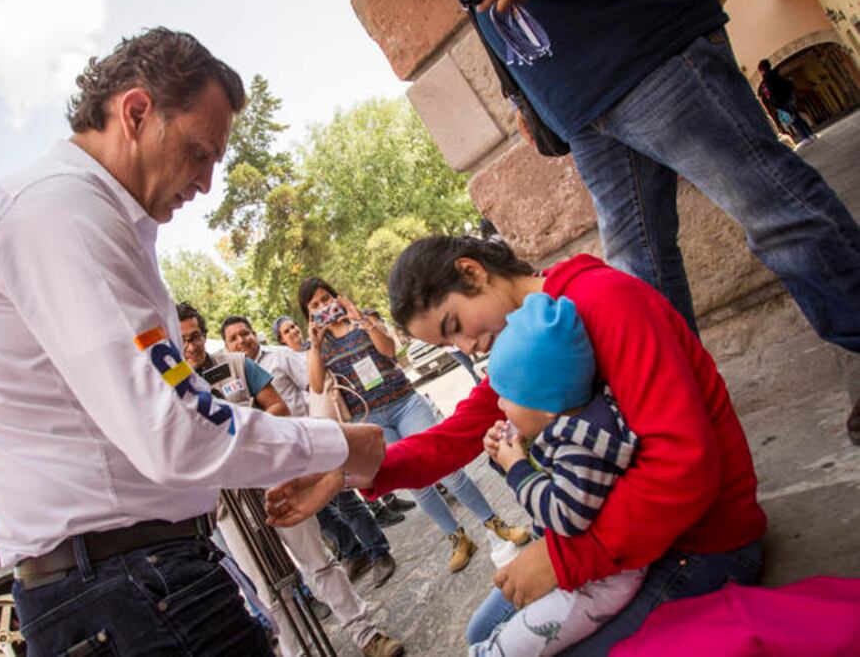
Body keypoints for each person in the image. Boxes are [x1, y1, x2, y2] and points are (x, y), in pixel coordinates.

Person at [0, 27, 386, 657]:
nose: (204, 183)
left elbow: (172, 406)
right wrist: (338, 444)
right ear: (137, 111)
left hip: (133, 578)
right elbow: (176, 430)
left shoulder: (77, 215)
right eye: (199, 153)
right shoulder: (61, 214)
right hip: (127, 585)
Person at [267, 236, 766, 653]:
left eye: (455, 327)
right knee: (481, 633)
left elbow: (684, 466)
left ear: (473, 272)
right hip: (628, 549)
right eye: (449, 347)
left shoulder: (606, 300)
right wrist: (346, 473)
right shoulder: (525, 340)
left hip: (702, 545)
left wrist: (563, 559)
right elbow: (455, 435)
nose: (468, 348)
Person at [467, 0, 860, 439]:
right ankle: (685, 418)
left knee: (773, 211)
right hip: (575, 99)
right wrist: (523, 97)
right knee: (639, 280)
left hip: (643, 48)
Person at [179, 304, 404, 657]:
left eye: (194, 337)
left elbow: (278, 409)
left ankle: (366, 635)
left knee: (318, 561)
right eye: (180, 341)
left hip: (274, 481)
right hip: (229, 505)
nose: (190, 347)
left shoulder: (236, 365)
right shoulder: (169, 390)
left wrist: (243, 433)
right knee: (265, 589)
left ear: (203, 335)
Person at [299, 277, 530, 573]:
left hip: (404, 403)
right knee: (413, 480)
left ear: (337, 297)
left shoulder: (363, 318)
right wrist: (315, 346)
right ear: (308, 314)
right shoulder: (316, 345)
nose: (323, 308)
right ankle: (457, 538)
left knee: (448, 467)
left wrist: (360, 319)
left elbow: (388, 351)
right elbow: (317, 386)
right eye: (314, 305)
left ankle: (493, 522)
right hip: (368, 419)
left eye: (325, 299)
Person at [469, 293, 644, 655]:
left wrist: (516, 468)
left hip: (600, 583)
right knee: (484, 630)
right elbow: (552, 481)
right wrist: (507, 457)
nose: (499, 406)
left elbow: (564, 515)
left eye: (506, 396)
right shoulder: (573, 419)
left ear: (547, 406)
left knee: (503, 649)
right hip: (577, 564)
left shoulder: (585, 444)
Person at [221, 313, 407, 585]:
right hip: (281, 458)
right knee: (319, 512)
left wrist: (318, 429)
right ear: (226, 346)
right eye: (233, 338)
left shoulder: (280, 356)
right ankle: (354, 552)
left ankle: (379, 551)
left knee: (345, 500)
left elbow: (314, 386)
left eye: (244, 333)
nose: (241, 341)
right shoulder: (230, 376)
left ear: (254, 333)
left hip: (308, 441)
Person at [757, 59, 813, 143]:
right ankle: (810, 134)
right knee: (797, 117)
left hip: (781, 102)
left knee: (793, 120)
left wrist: (775, 104)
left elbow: (772, 92)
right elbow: (784, 84)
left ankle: (805, 137)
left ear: (762, 70)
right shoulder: (775, 74)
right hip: (788, 99)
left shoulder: (767, 79)